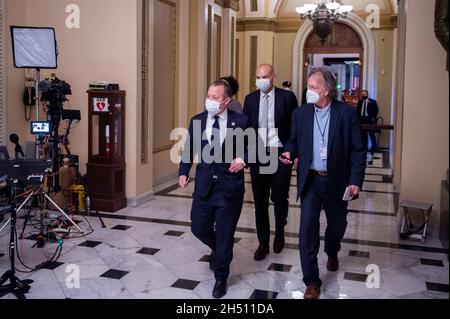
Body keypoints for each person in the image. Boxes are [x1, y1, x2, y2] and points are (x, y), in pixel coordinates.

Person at [280, 68, 366, 299]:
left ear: (326, 91)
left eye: (313, 87)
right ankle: (311, 282)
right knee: (307, 229)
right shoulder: (301, 114)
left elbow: (358, 150)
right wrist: (289, 152)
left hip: (337, 182)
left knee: (337, 225)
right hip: (310, 181)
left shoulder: (347, 114)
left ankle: (332, 250)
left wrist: (356, 180)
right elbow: (293, 140)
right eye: (308, 87)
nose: (308, 91)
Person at [178, 80, 249, 299]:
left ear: (227, 101)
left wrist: (243, 160)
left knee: (226, 234)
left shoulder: (241, 121)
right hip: (205, 186)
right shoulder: (197, 120)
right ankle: (219, 250)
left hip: (229, 187)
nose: (210, 100)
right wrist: (183, 171)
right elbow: (189, 147)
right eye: (208, 95)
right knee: (198, 227)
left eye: (215, 97)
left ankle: (221, 277)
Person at [243, 64, 298, 260]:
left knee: (279, 198)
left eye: (264, 76)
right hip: (258, 156)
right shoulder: (250, 99)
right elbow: (246, 129)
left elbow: (295, 127)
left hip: (280, 155)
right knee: (260, 202)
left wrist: (292, 153)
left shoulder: (287, 98)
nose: (260, 80)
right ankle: (263, 243)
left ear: (273, 76)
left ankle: (280, 234)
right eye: (257, 76)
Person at [357, 90, 379, 158]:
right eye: (362, 94)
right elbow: (358, 111)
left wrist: (373, 118)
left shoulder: (372, 101)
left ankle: (374, 147)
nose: (364, 95)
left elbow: (376, 110)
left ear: (367, 94)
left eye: (365, 94)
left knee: (371, 134)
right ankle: (365, 147)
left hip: (370, 120)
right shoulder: (360, 102)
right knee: (363, 135)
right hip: (362, 120)